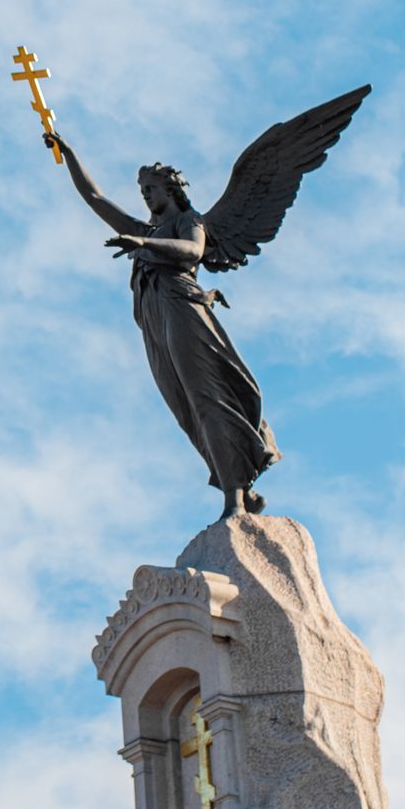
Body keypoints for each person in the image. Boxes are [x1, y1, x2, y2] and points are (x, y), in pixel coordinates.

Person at [46, 130, 279, 519]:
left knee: (207, 395)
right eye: (142, 192)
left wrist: (145, 246)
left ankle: (235, 499)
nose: (146, 197)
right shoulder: (146, 230)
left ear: (170, 190)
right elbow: (95, 198)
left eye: (151, 189)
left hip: (183, 310)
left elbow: (192, 251)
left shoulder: (188, 221)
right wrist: (68, 153)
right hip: (156, 322)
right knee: (185, 406)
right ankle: (237, 480)